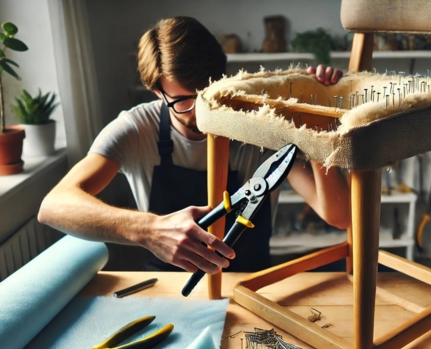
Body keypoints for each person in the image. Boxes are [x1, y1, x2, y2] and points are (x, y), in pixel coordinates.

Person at [38, 16, 350, 275]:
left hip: (248, 286)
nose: (204, 110)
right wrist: (148, 229)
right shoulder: (136, 129)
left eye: (210, 92)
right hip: (166, 289)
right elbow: (54, 206)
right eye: (185, 101)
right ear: (157, 92)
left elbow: (341, 216)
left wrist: (316, 127)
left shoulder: (260, 128)